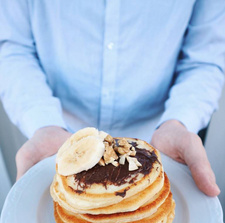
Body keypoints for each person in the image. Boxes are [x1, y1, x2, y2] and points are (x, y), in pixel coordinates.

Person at [0, 0, 225, 197]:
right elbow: (12, 47)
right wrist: (43, 123)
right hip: (58, 144)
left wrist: (178, 121)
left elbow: (205, 57)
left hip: (160, 142)